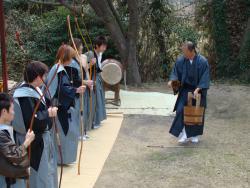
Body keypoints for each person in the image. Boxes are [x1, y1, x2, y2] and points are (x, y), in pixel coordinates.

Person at [12, 61, 58, 188]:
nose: (45, 79)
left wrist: (48, 110)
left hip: (41, 138)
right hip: (35, 140)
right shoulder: (24, 94)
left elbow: (41, 108)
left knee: (46, 171)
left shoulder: (34, 89)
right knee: (40, 173)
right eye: (44, 76)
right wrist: (48, 113)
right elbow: (32, 121)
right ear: (38, 77)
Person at [46, 44, 86, 164]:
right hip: (58, 107)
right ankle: (61, 159)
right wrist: (76, 90)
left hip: (60, 106)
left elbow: (63, 87)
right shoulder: (58, 69)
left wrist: (73, 89)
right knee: (64, 134)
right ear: (66, 57)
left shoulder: (59, 68)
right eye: (71, 57)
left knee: (68, 133)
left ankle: (63, 158)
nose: (72, 60)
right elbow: (61, 89)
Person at [168, 41, 210, 144]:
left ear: (191, 51)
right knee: (180, 110)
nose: (183, 53)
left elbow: (205, 77)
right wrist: (172, 81)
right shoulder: (181, 60)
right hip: (185, 90)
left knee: (195, 112)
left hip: (198, 91)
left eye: (185, 51)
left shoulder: (202, 61)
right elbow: (175, 73)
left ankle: (194, 135)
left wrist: (198, 88)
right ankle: (184, 133)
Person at [0, 93, 35, 188]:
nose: (14, 112)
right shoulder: (1, 133)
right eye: (12, 109)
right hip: (6, 181)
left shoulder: (5, 129)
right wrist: (27, 141)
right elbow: (14, 156)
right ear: (4, 111)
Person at [67, 38, 93, 140]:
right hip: (76, 90)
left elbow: (83, 73)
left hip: (81, 89)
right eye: (80, 45)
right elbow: (73, 79)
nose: (82, 47)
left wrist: (87, 82)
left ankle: (82, 132)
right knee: (78, 111)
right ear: (75, 47)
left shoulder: (79, 59)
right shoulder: (71, 61)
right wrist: (86, 82)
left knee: (82, 110)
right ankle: (78, 133)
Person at [85, 36, 107, 129]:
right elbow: (83, 68)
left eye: (105, 46)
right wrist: (90, 64)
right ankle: (93, 122)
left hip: (97, 78)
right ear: (97, 46)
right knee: (94, 100)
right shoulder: (90, 54)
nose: (104, 48)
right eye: (102, 46)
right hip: (91, 79)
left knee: (99, 99)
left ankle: (97, 120)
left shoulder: (99, 54)